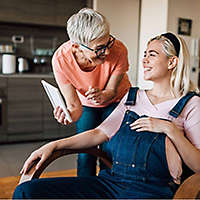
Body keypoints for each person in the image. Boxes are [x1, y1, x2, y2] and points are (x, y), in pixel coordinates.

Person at [13, 32, 200, 199]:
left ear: (172, 62)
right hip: (111, 184)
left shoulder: (191, 104)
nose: (144, 60)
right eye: (144, 54)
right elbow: (98, 134)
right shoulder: (132, 97)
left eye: (152, 55)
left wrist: (169, 129)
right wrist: (54, 145)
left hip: (151, 191)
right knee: (27, 192)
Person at [51, 8, 131, 176]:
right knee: (85, 152)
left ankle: (108, 187)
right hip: (86, 103)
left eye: (109, 41)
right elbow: (74, 106)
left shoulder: (119, 50)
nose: (107, 51)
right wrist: (68, 116)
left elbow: (111, 91)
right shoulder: (60, 60)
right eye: (100, 48)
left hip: (117, 100)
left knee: (110, 150)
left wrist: (103, 95)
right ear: (77, 47)